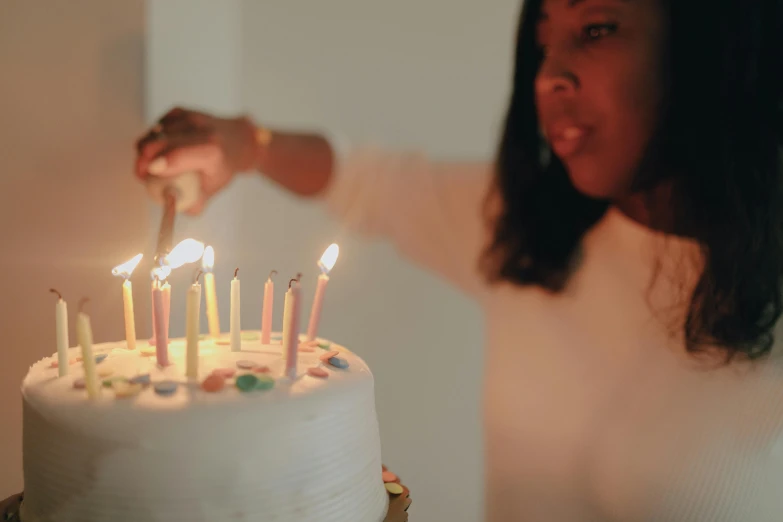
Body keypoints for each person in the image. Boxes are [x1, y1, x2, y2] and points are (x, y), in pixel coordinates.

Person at [134, 0, 783, 520]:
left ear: (712, 47)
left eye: (596, 28)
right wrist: (248, 144)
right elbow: (371, 182)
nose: (547, 76)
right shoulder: (528, 228)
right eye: (541, 41)